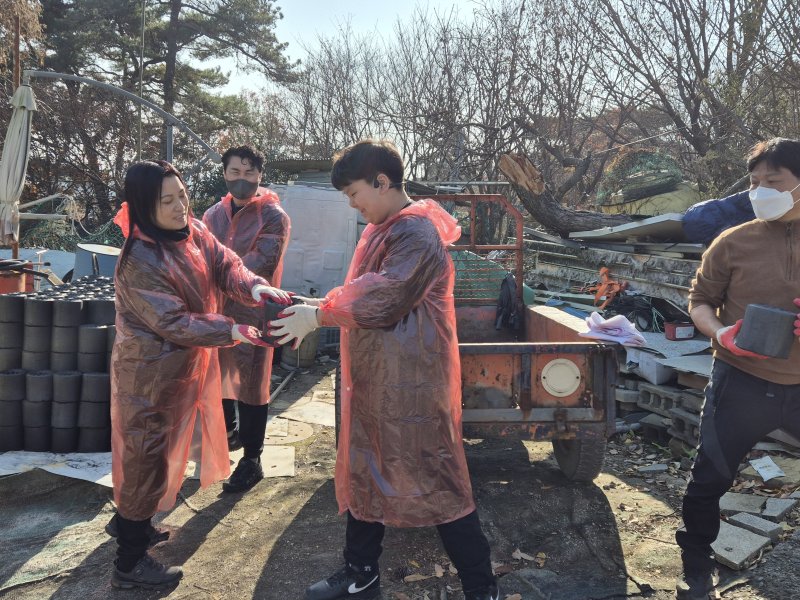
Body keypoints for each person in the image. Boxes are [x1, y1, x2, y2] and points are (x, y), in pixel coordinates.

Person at [270, 140, 499, 600]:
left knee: (437, 480)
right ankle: (360, 570)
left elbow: (385, 295)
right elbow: (360, 291)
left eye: (354, 193)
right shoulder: (383, 228)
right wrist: (315, 305)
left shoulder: (415, 234)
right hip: (376, 380)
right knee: (364, 470)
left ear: (382, 181)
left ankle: (480, 585)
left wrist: (319, 315)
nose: (352, 204)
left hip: (413, 386)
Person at [109, 160, 290, 590]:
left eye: (182, 196)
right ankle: (128, 563)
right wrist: (229, 329)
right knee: (144, 457)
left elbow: (226, 264)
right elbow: (173, 321)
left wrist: (254, 286)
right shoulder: (141, 257)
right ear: (143, 206)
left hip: (181, 368)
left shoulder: (193, 232)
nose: (179, 207)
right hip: (148, 375)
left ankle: (129, 524)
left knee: (161, 451)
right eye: (166, 201)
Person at [675, 137, 800, 599]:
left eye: (774, 180)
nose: (761, 190)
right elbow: (701, 301)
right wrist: (718, 332)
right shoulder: (732, 241)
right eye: (754, 182)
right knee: (710, 475)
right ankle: (694, 564)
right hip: (740, 382)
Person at [202, 144, 291, 493]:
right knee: (219, 376)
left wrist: (223, 276)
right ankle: (228, 435)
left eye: (249, 173)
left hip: (255, 310)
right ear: (224, 174)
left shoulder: (273, 216)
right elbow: (201, 255)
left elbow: (262, 262)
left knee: (252, 384)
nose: (242, 180)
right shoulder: (213, 215)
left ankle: (252, 459)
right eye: (235, 173)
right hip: (218, 311)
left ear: (260, 175)